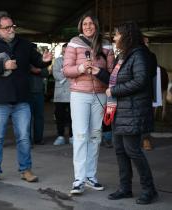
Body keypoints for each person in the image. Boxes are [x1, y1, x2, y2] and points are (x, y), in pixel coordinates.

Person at [0, 11, 52, 183]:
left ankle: (25, 170)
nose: (11, 30)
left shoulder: (25, 44)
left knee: (24, 136)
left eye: (13, 26)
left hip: (22, 99)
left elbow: (38, 62)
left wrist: (46, 60)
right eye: (7, 27)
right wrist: (2, 65)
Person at [102, 21, 157, 204]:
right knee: (120, 150)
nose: (114, 38)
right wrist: (98, 73)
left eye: (116, 34)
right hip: (120, 110)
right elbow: (114, 80)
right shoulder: (124, 56)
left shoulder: (139, 55)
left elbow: (140, 81)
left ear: (126, 36)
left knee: (133, 150)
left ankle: (149, 190)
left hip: (133, 111)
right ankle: (125, 188)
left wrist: (115, 91)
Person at [63, 12, 115, 194]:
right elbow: (66, 70)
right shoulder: (74, 42)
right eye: (85, 24)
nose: (88, 26)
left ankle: (91, 177)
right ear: (81, 26)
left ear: (96, 25)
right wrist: (81, 68)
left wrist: (98, 71)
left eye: (91, 24)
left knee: (95, 135)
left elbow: (111, 74)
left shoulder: (107, 44)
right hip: (79, 94)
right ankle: (79, 179)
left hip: (100, 95)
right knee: (80, 135)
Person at [52, 43, 73, 145]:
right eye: (63, 51)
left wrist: (65, 72)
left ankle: (72, 136)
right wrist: (68, 74)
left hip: (72, 93)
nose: (65, 53)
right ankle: (60, 136)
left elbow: (75, 73)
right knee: (59, 116)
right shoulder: (57, 61)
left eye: (67, 51)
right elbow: (55, 73)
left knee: (72, 117)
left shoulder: (74, 61)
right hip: (59, 94)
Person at [29, 63, 49, 145]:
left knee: (39, 117)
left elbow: (46, 73)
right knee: (27, 117)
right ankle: (27, 140)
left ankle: (38, 139)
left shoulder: (39, 59)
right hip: (26, 93)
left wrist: (38, 70)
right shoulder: (24, 57)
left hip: (39, 92)